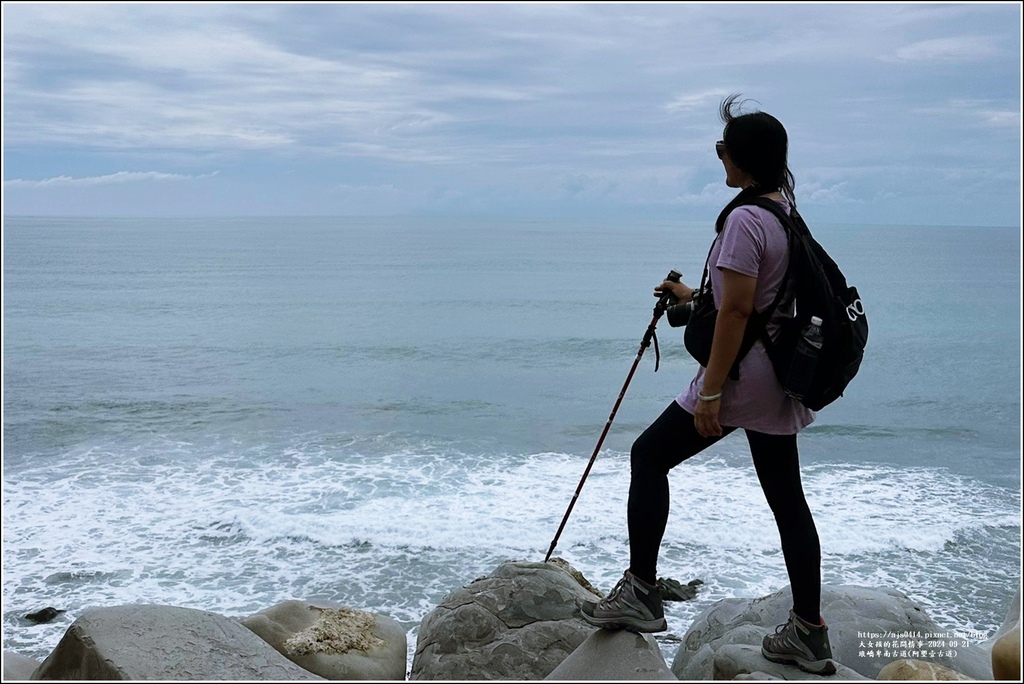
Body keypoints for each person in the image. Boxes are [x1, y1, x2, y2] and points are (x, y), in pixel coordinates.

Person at [581, 95, 836, 677]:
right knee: (788, 501)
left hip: (743, 376)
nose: (719, 157)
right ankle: (809, 630)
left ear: (741, 158)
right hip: (779, 379)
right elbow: (755, 300)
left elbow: (739, 312)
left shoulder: (744, 219)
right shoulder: (782, 211)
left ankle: (641, 593)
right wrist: (692, 298)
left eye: (722, 149)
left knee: (648, 456)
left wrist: (713, 391)